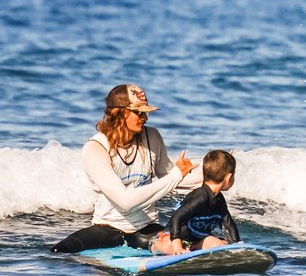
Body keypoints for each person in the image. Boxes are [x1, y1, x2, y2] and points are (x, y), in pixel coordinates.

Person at [51, 84, 202, 253]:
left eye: (145, 112)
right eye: (138, 113)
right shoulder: (96, 148)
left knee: (178, 245)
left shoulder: (152, 137)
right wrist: (175, 176)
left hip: (146, 226)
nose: (145, 118)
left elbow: (168, 175)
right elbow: (125, 201)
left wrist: (212, 174)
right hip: (107, 228)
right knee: (59, 251)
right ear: (119, 113)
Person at [150, 149, 240, 255]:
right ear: (228, 177)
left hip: (195, 241)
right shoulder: (200, 197)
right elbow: (177, 217)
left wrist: (237, 244)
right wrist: (177, 245)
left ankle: (191, 249)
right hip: (171, 237)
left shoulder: (219, 200)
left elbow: (229, 223)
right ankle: (157, 245)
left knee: (220, 245)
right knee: (170, 248)